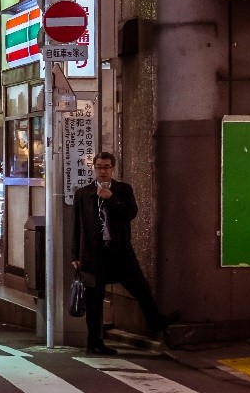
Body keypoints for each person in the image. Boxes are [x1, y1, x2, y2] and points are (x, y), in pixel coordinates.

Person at [71, 151, 176, 353]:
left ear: (113, 168)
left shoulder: (123, 190)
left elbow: (131, 213)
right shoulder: (83, 194)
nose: (103, 171)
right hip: (93, 253)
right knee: (95, 300)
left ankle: (155, 322)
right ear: (94, 168)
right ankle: (94, 342)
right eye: (99, 167)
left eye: (107, 167)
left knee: (140, 287)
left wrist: (111, 198)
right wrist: (75, 255)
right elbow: (77, 225)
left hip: (119, 251)